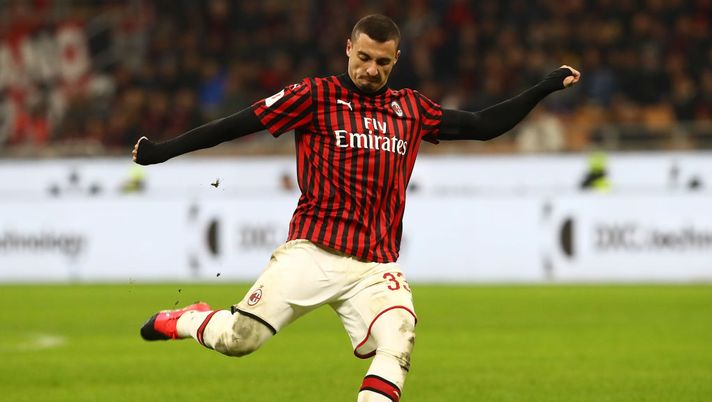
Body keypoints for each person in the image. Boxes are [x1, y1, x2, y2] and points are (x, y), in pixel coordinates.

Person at [133, 15, 580, 402]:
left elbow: (483, 125)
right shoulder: (313, 96)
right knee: (239, 340)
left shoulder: (411, 109)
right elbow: (236, 125)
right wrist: (162, 151)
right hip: (313, 251)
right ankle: (187, 319)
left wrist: (543, 87)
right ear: (348, 48)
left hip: (374, 265)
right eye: (364, 57)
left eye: (383, 62)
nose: (371, 69)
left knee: (398, 339)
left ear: (396, 59)